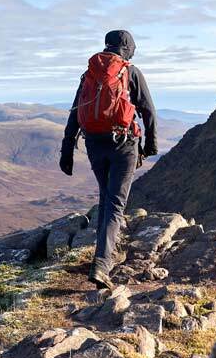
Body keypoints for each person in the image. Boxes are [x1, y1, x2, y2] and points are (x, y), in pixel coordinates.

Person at [59, 30, 157, 290]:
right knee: (115, 203)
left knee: (106, 198)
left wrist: (66, 151)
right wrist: (150, 145)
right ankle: (102, 265)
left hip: (94, 142)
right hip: (123, 144)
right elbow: (148, 111)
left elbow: (75, 113)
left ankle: (102, 255)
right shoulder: (129, 72)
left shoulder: (90, 73)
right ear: (128, 48)